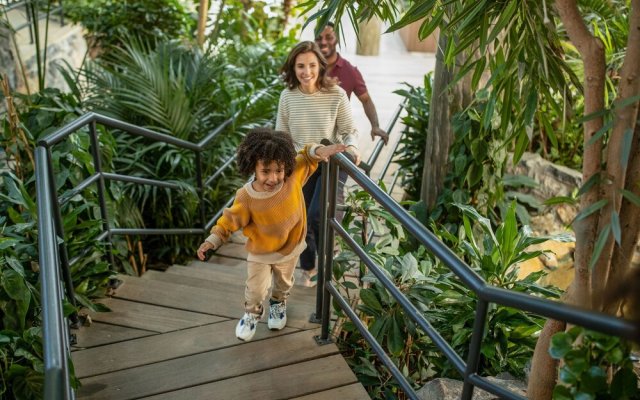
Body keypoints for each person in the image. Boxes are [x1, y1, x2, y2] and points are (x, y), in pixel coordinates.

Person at [197, 128, 346, 342]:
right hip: (260, 252)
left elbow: (306, 155)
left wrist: (320, 150)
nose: (273, 177)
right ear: (253, 169)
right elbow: (229, 220)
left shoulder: (293, 178)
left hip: (290, 247)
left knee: (283, 284)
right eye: (266, 171)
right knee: (256, 290)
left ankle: (278, 303)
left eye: (278, 170)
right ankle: (252, 313)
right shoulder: (246, 196)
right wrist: (213, 240)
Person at [275, 40, 360, 287]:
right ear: (293, 68)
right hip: (301, 163)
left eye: (312, 65)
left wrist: (352, 147)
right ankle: (309, 265)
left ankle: (330, 254)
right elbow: (282, 137)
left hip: (331, 162)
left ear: (321, 67)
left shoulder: (336, 94)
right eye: (300, 66)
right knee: (299, 219)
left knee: (316, 215)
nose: (306, 72)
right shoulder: (287, 96)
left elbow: (348, 130)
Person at [315, 22, 389, 145]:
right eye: (319, 38)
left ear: (337, 39)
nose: (323, 42)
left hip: (336, 141)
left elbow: (366, 100)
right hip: (309, 137)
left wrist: (375, 126)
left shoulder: (350, 71)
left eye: (329, 37)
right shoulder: (307, 69)